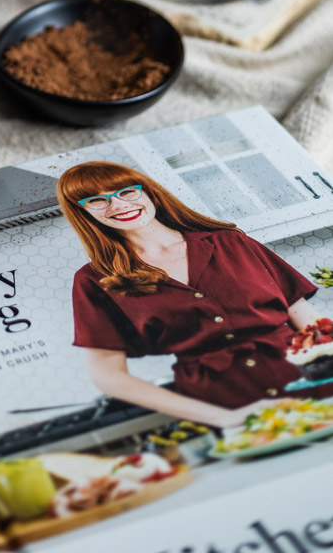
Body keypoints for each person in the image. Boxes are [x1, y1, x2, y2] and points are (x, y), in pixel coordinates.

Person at [58, 161, 329, 428]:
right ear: (82, 212)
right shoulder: (95, 281)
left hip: (309, 377)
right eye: (96, 200)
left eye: (126, 192)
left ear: (148, 191)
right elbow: (109, 378)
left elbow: (307, 321)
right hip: (226, 404)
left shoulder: (230, 242)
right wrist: (223, 417)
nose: (117, 205)